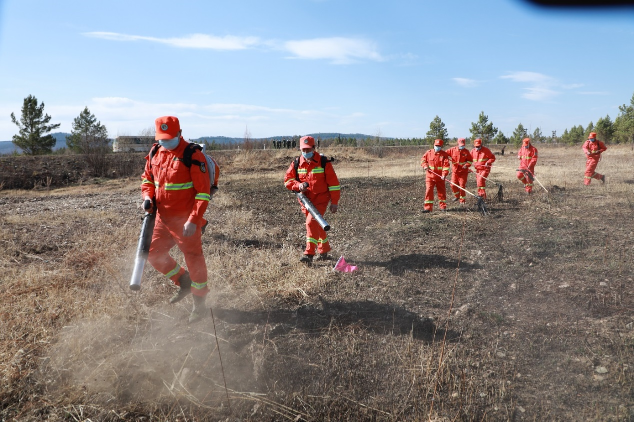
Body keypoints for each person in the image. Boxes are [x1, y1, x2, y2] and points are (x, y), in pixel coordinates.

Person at [141, 116, 211, 323]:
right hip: (162, 218)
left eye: (169, 138)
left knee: (194, 258)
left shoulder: (192, 154)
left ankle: (199, 305)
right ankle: (184, 281)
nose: (165, 142)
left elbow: (203, 193)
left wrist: (193, 220)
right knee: (152, 252)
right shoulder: (155, 152)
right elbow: (147, 180)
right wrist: (147, 197)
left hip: (185, 220)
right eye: (162, 138)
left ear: (180, 134)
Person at [284, 136, 340, 264]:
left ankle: (309, 254)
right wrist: (299, 186)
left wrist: (334, 202)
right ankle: (324, 250)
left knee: (311, 222)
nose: (306, 152)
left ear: (314, 148)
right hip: (305, 201)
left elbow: (334, 184)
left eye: (308, 149)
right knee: (316, 225)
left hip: (321, 199)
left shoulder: (324, 162)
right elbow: (287, 180)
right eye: (303, 149)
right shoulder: (296, 163)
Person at [420, 139, 450, 213]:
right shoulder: (428, 153)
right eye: (436, 145)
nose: (437, 147)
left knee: (441, 192)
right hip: (430, 177)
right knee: (428, 191)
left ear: (441, 146)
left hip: (440, 178)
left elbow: (446, 166)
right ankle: (428, 208)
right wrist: (425, 166)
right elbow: (423, 160)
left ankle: (443, 207)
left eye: (439, 146)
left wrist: (444, 174)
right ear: (434, 145)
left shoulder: (444, 155)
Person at [446, 138, 472, 204]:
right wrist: (446, 157)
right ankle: (457, 196)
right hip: (455, 172)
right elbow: (445, 154)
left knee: (462, 186)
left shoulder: (466, 152)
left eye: (463, 145)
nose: (462, 146)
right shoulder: (452, 150)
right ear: (458, 144)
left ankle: (462, 200)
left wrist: (466, 165)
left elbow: (470, 161)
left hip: (463, 172)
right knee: (453, 185)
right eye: (460, 145)